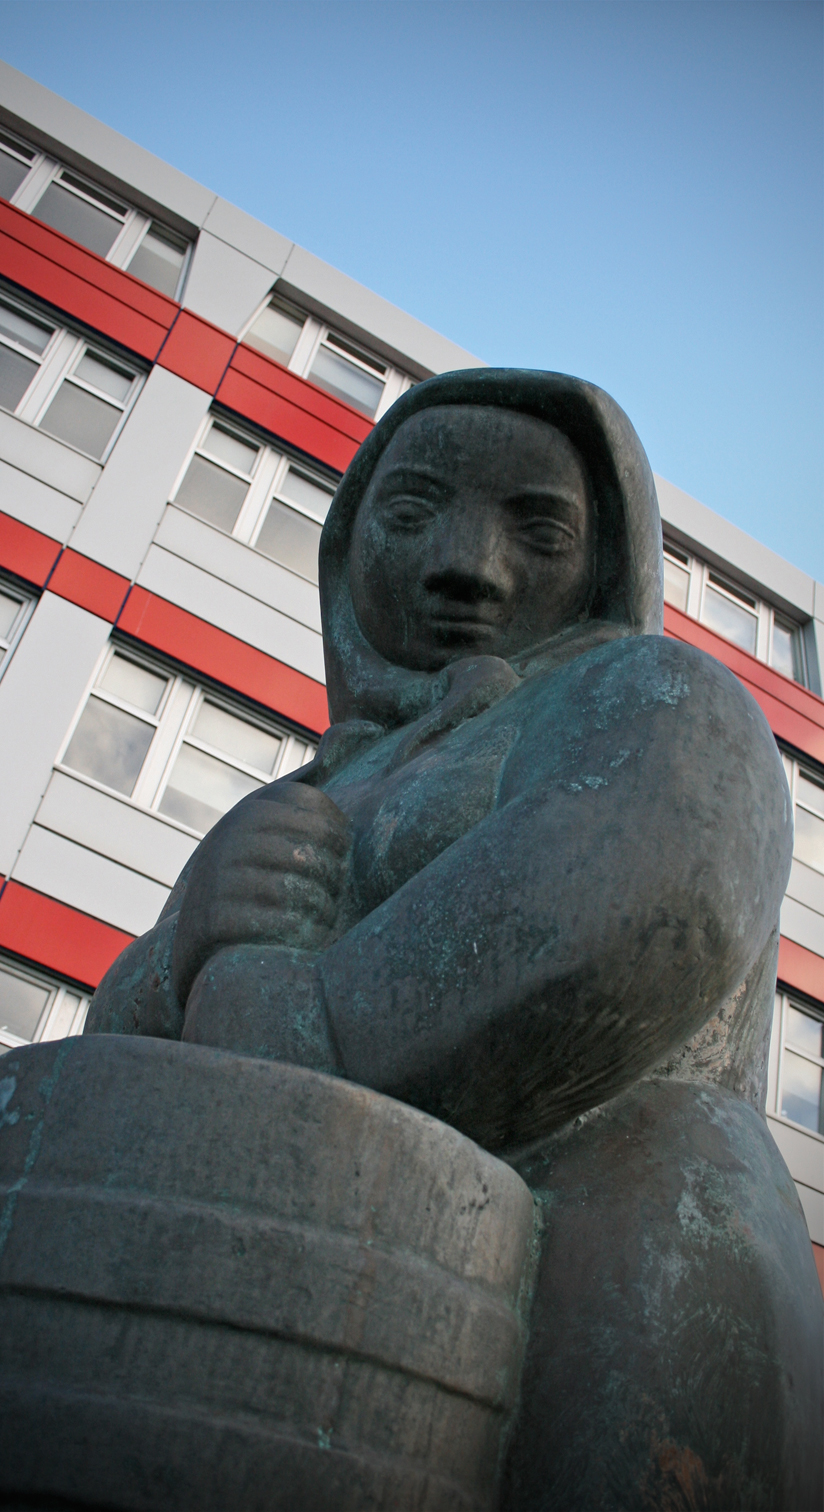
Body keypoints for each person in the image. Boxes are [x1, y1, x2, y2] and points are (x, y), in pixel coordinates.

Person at [89, 370, 822, 1510]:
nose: (463, 565)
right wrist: (202, 925)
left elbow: (629, 899)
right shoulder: (324, 778)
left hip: (602, 1270)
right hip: (292, 1305)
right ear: (348, 544)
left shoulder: (650, 695)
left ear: (608, 556)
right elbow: (110, 1066)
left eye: (536, 527)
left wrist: (289, 1009)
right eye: (412, 512)